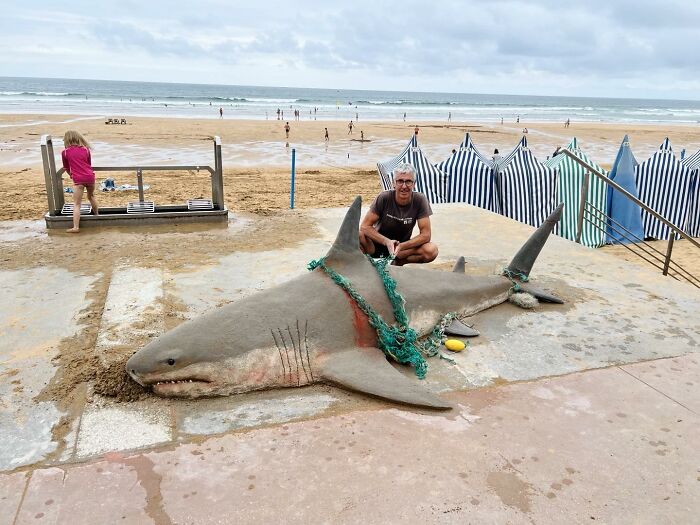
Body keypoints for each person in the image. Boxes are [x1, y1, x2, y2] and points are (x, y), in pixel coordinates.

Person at [359, 163, 438, 266]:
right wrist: (387, 242)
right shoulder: (384, 197)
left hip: (400, 251)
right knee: (357, 235)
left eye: (408, 181)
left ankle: (397, 263)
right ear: (394, 183)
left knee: (431, 250)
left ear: (414, 184)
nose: (404, 186)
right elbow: (365, 226)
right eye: (400, 181)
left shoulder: (420, 200)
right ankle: (363, 264)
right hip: (375, 246)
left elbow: (426, 235)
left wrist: (402, 246)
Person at [61, 130, 98, 233]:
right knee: (91, 197)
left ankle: (76, 227)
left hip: (78, 179)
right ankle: (97, 216)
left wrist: (71, 176)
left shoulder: (65, 152)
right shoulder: (86, 150)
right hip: (90, 177)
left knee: (77, 203)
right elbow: (88, 164)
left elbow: (66, 167)